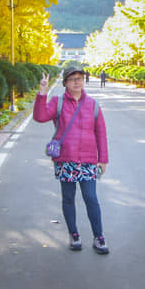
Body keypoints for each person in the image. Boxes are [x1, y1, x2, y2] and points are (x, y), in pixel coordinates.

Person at [34, 66, 110, 254]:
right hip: (65, 159)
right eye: (72, 78)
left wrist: (103, 160)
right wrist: (42, 94)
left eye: (80, 78)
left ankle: (99, 237)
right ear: (65, 83)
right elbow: (40, 117)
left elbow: (101, 133)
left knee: (91, 198)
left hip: (88, 160)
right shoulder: (57, 102)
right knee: (68, 198)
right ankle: (74, 234)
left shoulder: (93, 104)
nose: (77, 82)